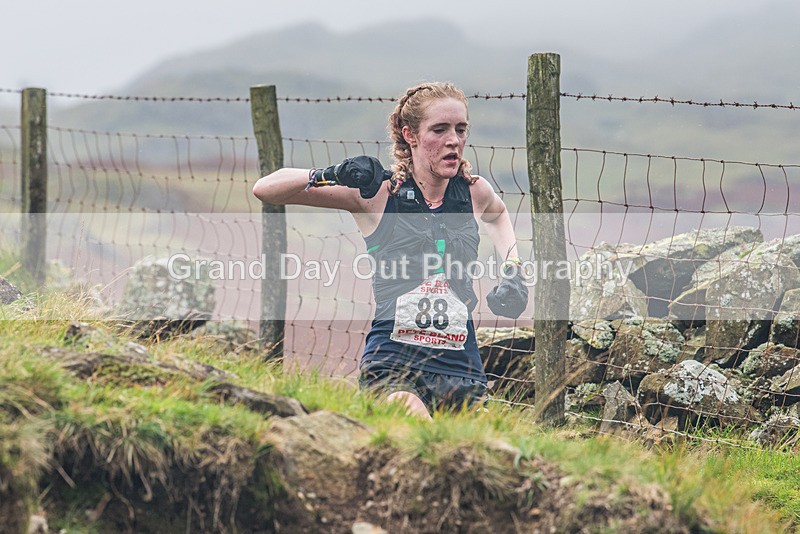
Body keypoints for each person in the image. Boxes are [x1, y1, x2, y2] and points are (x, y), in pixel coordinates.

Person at [252, 82, 528, 419]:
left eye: (460, 129)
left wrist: (513, 269)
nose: (453, 140)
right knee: (419, 437)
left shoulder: (474, 192)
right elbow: (266, 189)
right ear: (409, 134)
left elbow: (498, 216)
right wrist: (330, 174)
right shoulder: (378, 194)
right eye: (439, 130)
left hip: (462, 365)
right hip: (395, 362)